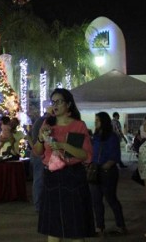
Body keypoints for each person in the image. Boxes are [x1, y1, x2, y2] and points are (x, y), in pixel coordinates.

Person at [33, 88, 94, 241]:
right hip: (51, 177)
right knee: (53, 227)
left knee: (75, 225)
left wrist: (63, 145)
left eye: (59, 101)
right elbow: (37, 152)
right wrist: (41, 138)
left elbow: (85, 155)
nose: (55, 105)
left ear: (68, 104)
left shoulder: (78, 125)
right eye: (53, 102)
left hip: (73, 176)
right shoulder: (47, 123)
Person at [89, 112, 127, 236]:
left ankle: (121, 226)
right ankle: (99, 227)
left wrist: (108, 164)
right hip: (96, 171)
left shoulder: (112, 137)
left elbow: (115, 155)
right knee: (96, 200)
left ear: (104, 122)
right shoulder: (96, 136)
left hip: (107, 172)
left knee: (111, 199)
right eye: (95, 120)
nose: (95, 122)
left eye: (98, 120)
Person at [29, 105, 54, 212]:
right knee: (40, 178)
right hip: (40, 153)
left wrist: (32, 146)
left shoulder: (38, 121)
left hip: (36, 152)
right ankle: (38, 205)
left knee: (38, 178)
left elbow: (29, 136)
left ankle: (39, 203)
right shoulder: (45, 122)